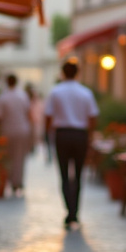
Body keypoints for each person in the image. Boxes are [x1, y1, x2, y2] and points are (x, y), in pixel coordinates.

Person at [44, 60, 99, 228]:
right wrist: (90, 137)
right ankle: (75, 212)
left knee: (64, 175)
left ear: (62, 73)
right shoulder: (85, 93)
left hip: (62, 135)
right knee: (79, 175)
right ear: (77, 73)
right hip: (80, 135)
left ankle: (70, 211)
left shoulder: (56, 92)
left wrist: (48, 135)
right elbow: (92, 117)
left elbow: (48, 116)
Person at [0, 74, 32, 194]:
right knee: (19, 157)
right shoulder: (23, 96)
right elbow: (28, 113)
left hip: (7, 130)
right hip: (22, 130)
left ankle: (6, 180)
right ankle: (17, 181)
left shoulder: (3, 97)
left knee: (6, 157)